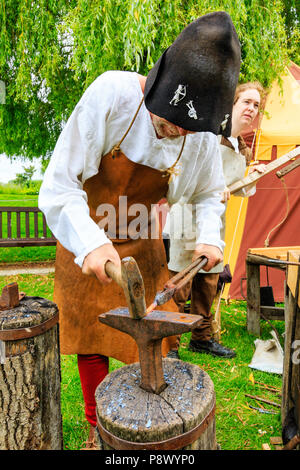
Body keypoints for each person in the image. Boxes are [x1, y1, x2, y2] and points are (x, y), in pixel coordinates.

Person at [38, 12, 241, 448]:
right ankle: (98, 427)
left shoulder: (202, 136)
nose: (178, 131)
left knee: (148, 338)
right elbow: (58, 186)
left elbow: (208, 194)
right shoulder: (111, 95)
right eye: (170, 121)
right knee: (92, 335)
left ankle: (146, 425)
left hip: (143, 242)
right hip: (85, 232)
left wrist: (210, 236)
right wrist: (91, 244)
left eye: (189, 127)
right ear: (157, 86)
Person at [166, 81, 266, 359]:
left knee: (208, 284)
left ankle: (201, 338)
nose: (251, 109)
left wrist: (253, 176)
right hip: (187, 215)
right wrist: (210, 185)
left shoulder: (243, 148)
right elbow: (180, 172)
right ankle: (170, 344)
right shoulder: (207, 134)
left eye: (256, 105)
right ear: (233, 104)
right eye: (246, 101)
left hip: (215, 221)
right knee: (180, 284)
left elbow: (240, 190)